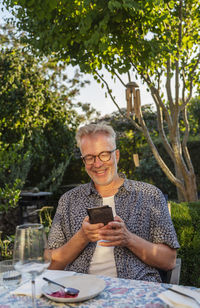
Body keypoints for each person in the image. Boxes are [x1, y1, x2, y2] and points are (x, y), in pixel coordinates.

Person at [47, 122, 180, 282]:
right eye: (89, 157)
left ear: (116, 155)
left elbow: (169, 260)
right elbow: (50, 265)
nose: (97, 164)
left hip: (135, 292)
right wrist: (82, 237)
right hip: (78, 291)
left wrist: (128, 239)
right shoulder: (69, 200)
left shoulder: (149, 195)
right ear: (84, 161)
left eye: (104, 154)